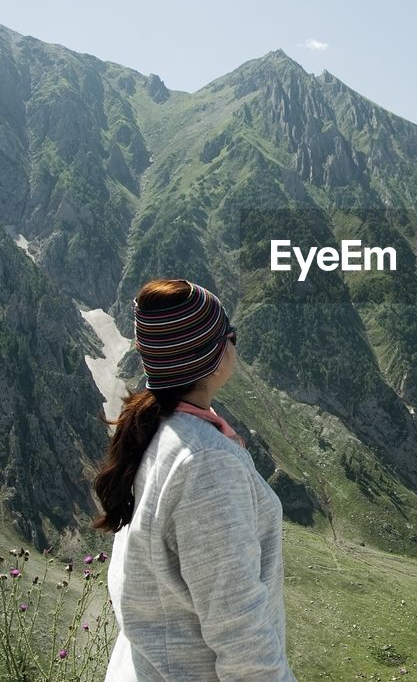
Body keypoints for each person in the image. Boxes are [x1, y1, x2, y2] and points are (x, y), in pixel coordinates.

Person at [95, 278, 295, 681]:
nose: (235, 344)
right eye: (230, 335)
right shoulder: (205, 465)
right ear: (216, 357)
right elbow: (241, 632)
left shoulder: (155, 428)